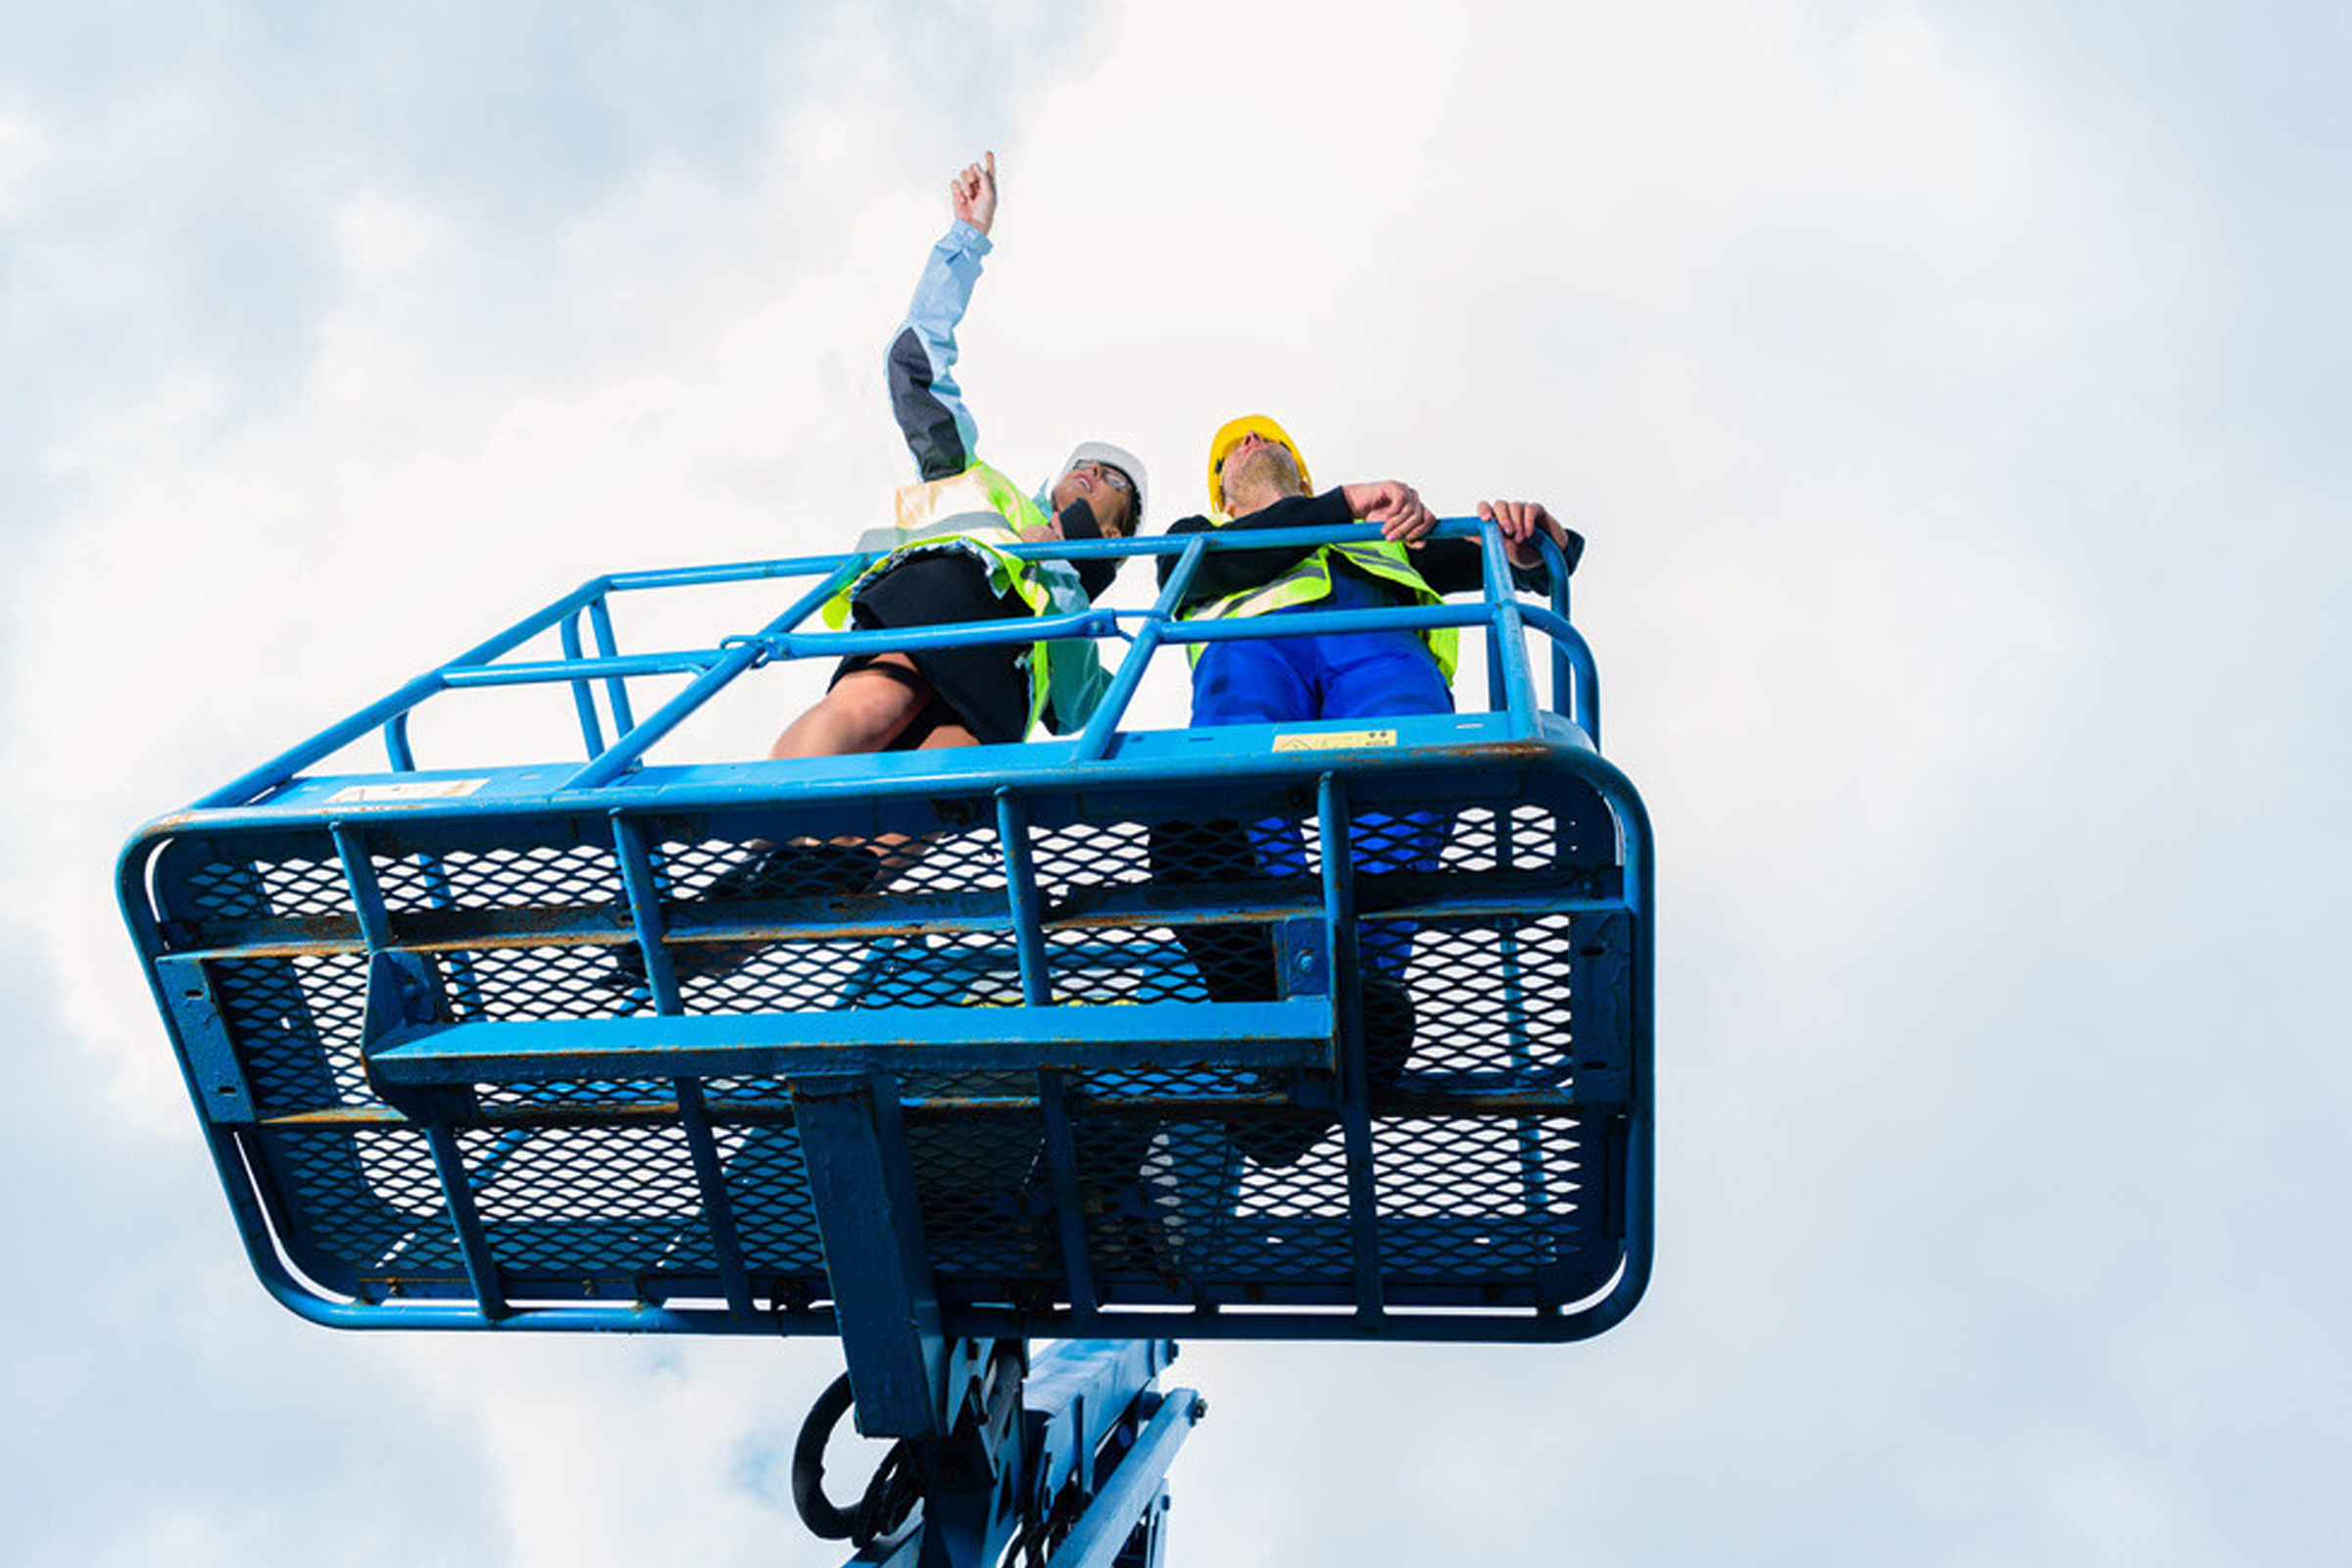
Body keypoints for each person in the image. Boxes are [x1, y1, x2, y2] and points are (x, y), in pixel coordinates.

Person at [612, 154, 1144, 987]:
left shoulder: (1081, 609)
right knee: (875, 701)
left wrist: (1086, 577)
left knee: (935, 786)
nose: (1094, 478)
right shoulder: (978, 480)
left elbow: (1081, 709)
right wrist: (966, 241)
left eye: (1116, 484)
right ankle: (746, 855)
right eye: (1084, 465)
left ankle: (775, 908)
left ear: (1127, 530)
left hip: (1007, 677)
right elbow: (916, 362)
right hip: (947, 592)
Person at [1149, 416, 1581, 1163]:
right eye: (1230, 449)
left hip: (1375, 645)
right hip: (1256, 649)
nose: (1249, 445)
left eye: (1265, 437)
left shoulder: (1385, 534)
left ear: (1303, 473)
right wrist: (1347, 502)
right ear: (1220, 490)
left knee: (1400, 774)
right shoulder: (1200, 537)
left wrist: (1534, 539)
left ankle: (1349, 997)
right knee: (1238, 770)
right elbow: (1195, 569)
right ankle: (1283, 973)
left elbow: (1528, 559)